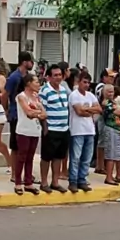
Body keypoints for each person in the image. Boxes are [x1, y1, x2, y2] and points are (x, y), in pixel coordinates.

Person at [2, 50, 34, 184]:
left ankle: (26, 173)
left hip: (27, 113)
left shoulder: (28, 77)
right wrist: (6, 109)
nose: (32, 64)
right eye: (31, 61)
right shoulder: (14, 77)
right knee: (16, 146)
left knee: (27, 146)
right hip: (16, 114)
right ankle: (15, 174)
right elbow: (5, 94)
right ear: (24, 62)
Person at [68, 71, 102, 192]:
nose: (87, 85)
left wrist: (87, 109)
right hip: (77, 130)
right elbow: (79, 112)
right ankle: (73, 181)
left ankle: (82, 180)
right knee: (75, 157)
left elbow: (99, 109)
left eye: (88, 82)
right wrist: (90, 110)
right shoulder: (74, 95)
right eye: (84, 82)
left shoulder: (90, 95)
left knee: (86, 157)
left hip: (90, 130)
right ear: (79, 82)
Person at [38, 64, 70, 194]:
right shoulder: (44, 90)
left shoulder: (63, 89)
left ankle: (55, 182)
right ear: (49, 77)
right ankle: (44, 182)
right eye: (55, 75)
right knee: (46, 157)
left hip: (64, 129)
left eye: (60, 75)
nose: (58, 77)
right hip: (51, 129)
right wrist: (45, 128)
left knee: (59, 157)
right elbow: (41, 110)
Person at [15, 74, 46, 195]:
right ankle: (18, 182)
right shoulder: (21, 96)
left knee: (30, 157)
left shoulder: (36, 97)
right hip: (24, 130)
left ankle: (28, 182)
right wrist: (38, 113)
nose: (38, 85)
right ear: (28, 83)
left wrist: (37, 113)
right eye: (36, 82)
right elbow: (28, 112)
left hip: (35, 130)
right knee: (21, 157)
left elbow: (44, 113)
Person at [102, 84, 120, 186]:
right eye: (108, 91)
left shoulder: (114, 102)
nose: (111, 94)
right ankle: (108, 177)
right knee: (111, 154)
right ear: (104, 92)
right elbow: (118, 112)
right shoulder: (106, 102)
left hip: (117, 129)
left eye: (112, 91)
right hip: (110, 128)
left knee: (116, 153)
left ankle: (112, 175)